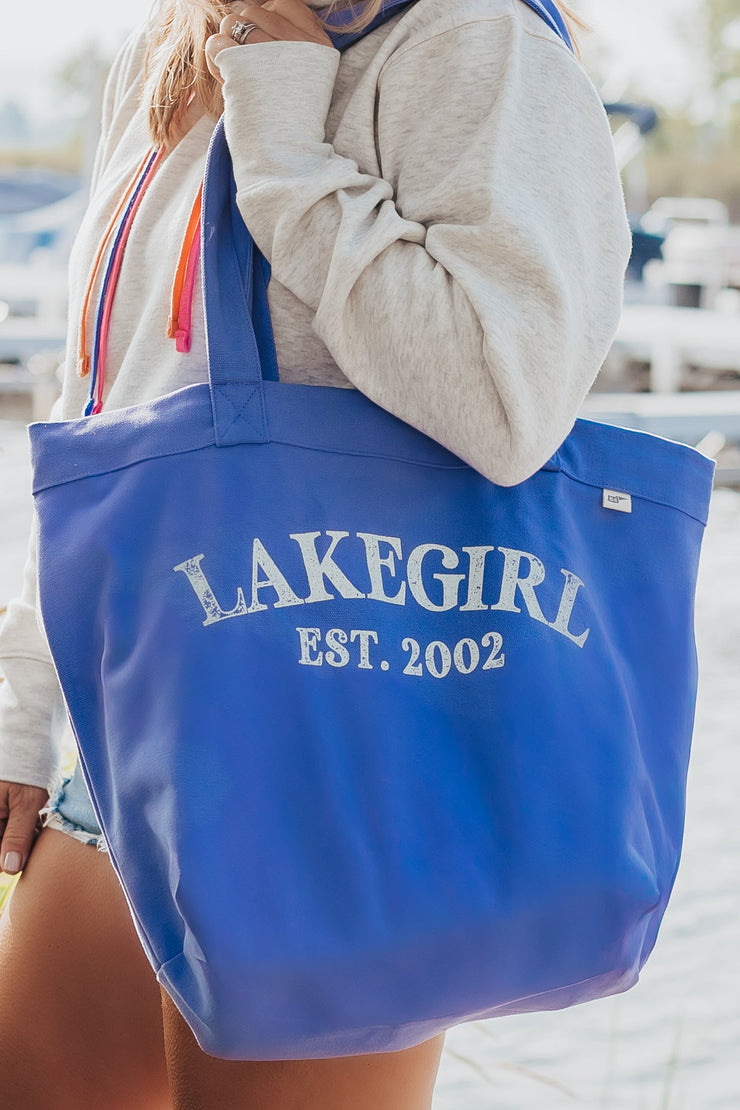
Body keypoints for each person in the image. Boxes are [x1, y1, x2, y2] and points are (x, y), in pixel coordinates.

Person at [0, 0, 631, 1105]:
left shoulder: (472, 44)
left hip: (339, 760)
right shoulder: (171, 44)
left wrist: (285, 145)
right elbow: (99, 416)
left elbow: (504, 401)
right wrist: (21, 703)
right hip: (122, 744)